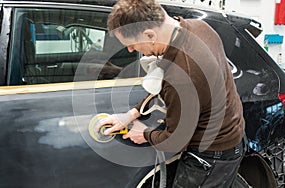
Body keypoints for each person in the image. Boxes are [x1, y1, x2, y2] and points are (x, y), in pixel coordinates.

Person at [96, 0, 246, 187]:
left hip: (213, 153)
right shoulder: (198, 27)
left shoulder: (182, 75)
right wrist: (131, 114)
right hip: (233, 133)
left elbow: (175, 142)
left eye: (132, 44)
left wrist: (145, 134)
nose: (130, 50)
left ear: (150, 34)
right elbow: (161, 85)